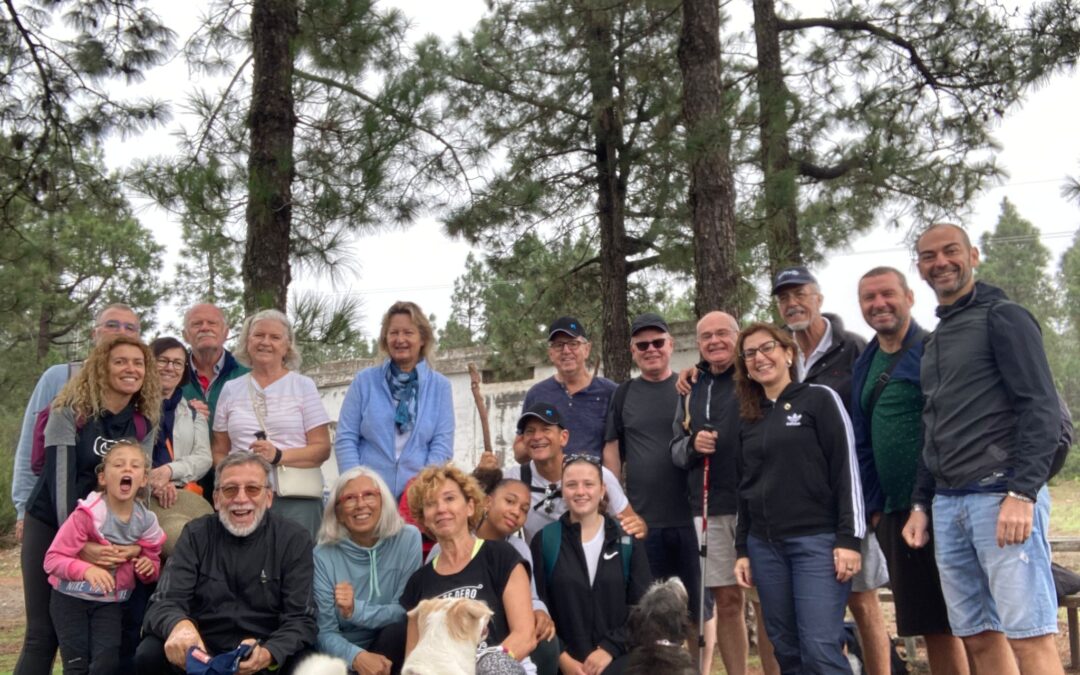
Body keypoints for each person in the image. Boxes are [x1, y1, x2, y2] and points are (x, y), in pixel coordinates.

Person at [902, 223, 1063, 675]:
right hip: (948, 504)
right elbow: (933, 426)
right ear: (920, 268)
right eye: (929, 256)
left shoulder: (1004, 316)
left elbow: (1041, 409)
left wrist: (1024, 492)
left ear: (973, 255)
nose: (941, 262)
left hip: (1001, 499)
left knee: (1029, 635)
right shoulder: (935, 340)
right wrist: (920, 502)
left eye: (951, 251)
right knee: (977, 635)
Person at [770, 266, 890, 675]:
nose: (792, 303)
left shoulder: (855, 349)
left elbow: (873, 423)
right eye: (784, 298)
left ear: (819, 297)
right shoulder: (779, 354)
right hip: (800, 509)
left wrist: (870, 496)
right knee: (805, 612)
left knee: (862, 599)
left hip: (849, 499)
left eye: (800, 293)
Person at [19, 333, 160, 674]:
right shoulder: (70, 412)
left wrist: (133, 546)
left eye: (138, 363)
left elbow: (138, 490)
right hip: (53, 522)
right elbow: (60, 480)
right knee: (43, 633)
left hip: (112, 534)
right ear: (101, 368)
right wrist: (81, 547)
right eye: (120, 361)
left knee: (102, 641)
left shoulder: (143, 423)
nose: (131, 369)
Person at [851, 266, 969, 674]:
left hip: (945, 502)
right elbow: (862, 439)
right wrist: (876, 506)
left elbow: (946, 426)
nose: (879, 304)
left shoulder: (932, 348)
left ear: (909, 297)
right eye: (869, 298)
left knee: (969, 620)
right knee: (931, 624)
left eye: (887, 294)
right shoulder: (866, 361)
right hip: (894, 512)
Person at [732, 322, 865, 675]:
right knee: (786, 648)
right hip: (765, 547)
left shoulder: (819, 399)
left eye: (767, 348)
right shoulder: (748, 416)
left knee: (820, 647)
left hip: (817, 544)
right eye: (750, 353)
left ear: (788, 353)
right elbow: (744, 487)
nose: (760, 358)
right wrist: (742, 549)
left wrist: (850, 539)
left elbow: (846, 471)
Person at [137, 452, 318, 674]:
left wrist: (268, 653)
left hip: (264, 653)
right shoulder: (196, 534)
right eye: (230, 489)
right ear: (215, 499)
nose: (241, 498)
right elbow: (164, 602)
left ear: (269, 497)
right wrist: (180, 626)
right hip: (201, 654)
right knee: (150, 653)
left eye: (252, 489)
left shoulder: (293, 539)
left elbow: (301, 619)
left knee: (310, 663)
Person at [602, 312, 712, 670]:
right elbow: (612, 449)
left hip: (692, 517)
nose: (651, 350)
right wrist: (618, 507)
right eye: (642, 345)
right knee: (648, 610)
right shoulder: (624, 393)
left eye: (658, 342)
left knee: (698, 607)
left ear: (671, 345)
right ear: (633, 351)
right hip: (644, 523)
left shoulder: (690, 386)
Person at [13, 303, 142, 545]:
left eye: (130, 327)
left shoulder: (138, 390)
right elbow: (29, 444)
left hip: (108, 520)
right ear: (95, 333)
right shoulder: (59, 377)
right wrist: (21, 508)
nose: (121, 331)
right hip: (50, 513)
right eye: (112, 325)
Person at [670, 311, 748, 675]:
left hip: (758, 505)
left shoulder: (756, 372)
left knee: (769, 603)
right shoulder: (691, 387)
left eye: (723, 334)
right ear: (698, 344)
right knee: (727, 601)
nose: (714, 341)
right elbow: (674, 448)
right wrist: (692, 446)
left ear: (738, 336)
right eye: (706, 337)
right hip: (710, 507)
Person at [44, 441, 165, 675]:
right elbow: (52, 559)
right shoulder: (86, 515)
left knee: (107, 664)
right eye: (118, 465)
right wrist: (87, 570)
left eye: (135, 465)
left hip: (110, 603)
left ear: (143, 480)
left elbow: (153, 561)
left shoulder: (146, 521)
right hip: (69, 598)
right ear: (103, 478)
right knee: (77, 666)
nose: (127, 470)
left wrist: (146, 567)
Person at [401, 465, 536, 670]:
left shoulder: (500, 555)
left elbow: (525, 636)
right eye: (430, 503)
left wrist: (477, 667)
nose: (441, 509)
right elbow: (414, 658)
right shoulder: (418, 582)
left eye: (449, 498)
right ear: (424, 519)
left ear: (470, 507)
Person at [212, 309, 331, 537]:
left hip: (295, 499)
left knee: (297, 565)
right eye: (258, 335)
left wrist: (278, 456)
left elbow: (322, 449)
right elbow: (219, 450)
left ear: (287, 346)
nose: (265, 342)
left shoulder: (303, 386)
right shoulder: (231, 389)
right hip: (243, 499)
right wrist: (234, 479)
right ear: (247, 342)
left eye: (275, 337)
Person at [530, 454, 652, 675]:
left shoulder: (626, 539)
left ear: (602, 489)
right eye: (571, 485)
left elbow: (643, 609)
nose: (580, 492)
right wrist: (562, 658)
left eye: (589, 484)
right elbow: (538, 609)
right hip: (565, 666)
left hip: (619, 662)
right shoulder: (545, 541)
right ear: (562, 490)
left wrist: (609, 649)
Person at [336, 301, 455, 498]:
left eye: (408, 333)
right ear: (385, 338)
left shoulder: (440, 386)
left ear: (423, 338)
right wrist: (356, 484)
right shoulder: (365, 381)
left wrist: (421, 489)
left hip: (418, 496)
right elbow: (346, 437)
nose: (400, 339)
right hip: (368, 494)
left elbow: (441, 443)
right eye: (393, 333)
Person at [313, 467, 422, 675]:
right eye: (350, 498)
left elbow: (406, 613)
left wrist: (356, 611)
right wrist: (356, 657)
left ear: (383, 501)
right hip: (343, 651)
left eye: (369, 495)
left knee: (397, 633)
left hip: (392, 644)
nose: (361, 504)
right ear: (338, 512)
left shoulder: (408, 539)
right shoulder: (322, 555)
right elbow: (324, 631)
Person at [505, 403, 644, 544]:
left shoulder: (595, 474)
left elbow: (631, 525)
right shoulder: (514, 480)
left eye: (546, 430)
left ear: (563, 437)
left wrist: (639, 527)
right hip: (542, 561)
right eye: (530, 431)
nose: (537, 436)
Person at [513, 317, 617, 462]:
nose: (566, 351)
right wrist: (542, 441)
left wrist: (610, 483)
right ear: (550, 353)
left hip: (592, 482)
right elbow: (519, 453)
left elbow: (617, 448)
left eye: (573, 344)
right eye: (558, 345)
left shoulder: (610, 392)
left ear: (587, 349)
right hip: (548, 483)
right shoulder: (537, 394)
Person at [181, 303, 249, 501]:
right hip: (185, 480)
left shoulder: (246, 376)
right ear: (185, 335)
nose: (204, 327)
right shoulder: (172, 375)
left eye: (212, 323)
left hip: (235, 479)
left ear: (225, 332)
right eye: (196, 324)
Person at [148, 337, 212, 508]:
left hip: (179, 497)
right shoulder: (131, 407)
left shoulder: (193, 414)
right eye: (162, 360)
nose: (170, 368)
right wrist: (151, 480)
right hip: (136, 494)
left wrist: (170, 471)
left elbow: (204, 458)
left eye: (177, 363)